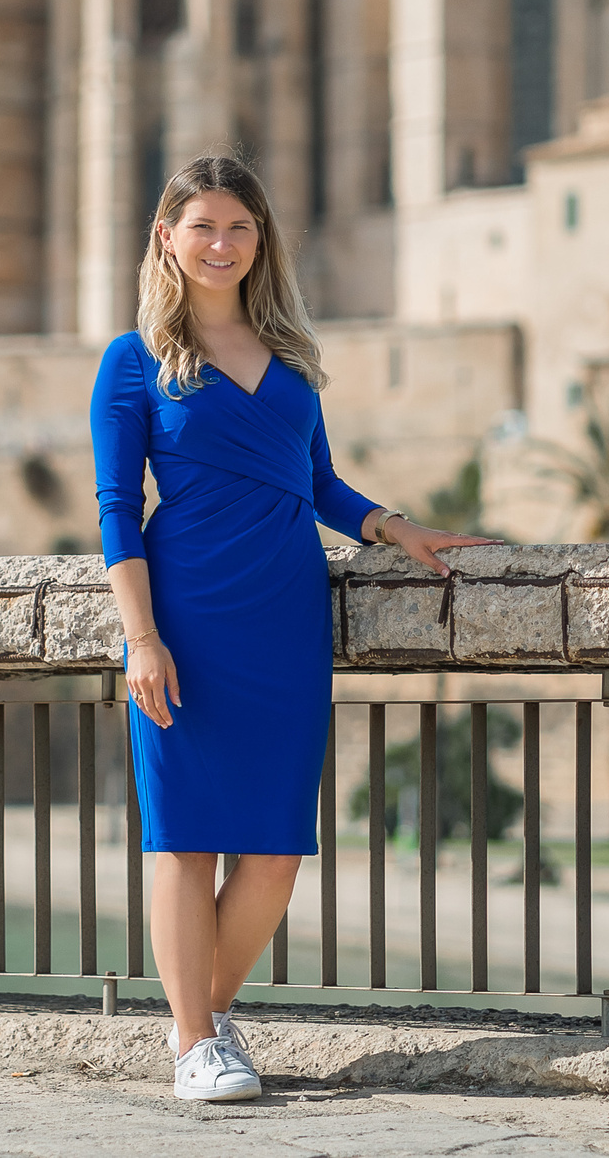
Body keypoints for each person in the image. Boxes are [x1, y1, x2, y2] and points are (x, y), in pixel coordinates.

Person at [91, 155, 496, 1103]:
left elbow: (316, 483)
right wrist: (141, 635)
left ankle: (205, 1019)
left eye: (240, 226)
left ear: (260, 239)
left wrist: (394, 527)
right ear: (167, 236)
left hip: (284, 615)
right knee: (185, 835)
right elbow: (117, 506)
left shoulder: (294, 357)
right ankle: (198, 1043)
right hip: (185, 611)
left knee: (274, 851)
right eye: (203, 226)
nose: (222, 243)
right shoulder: (134, 358)